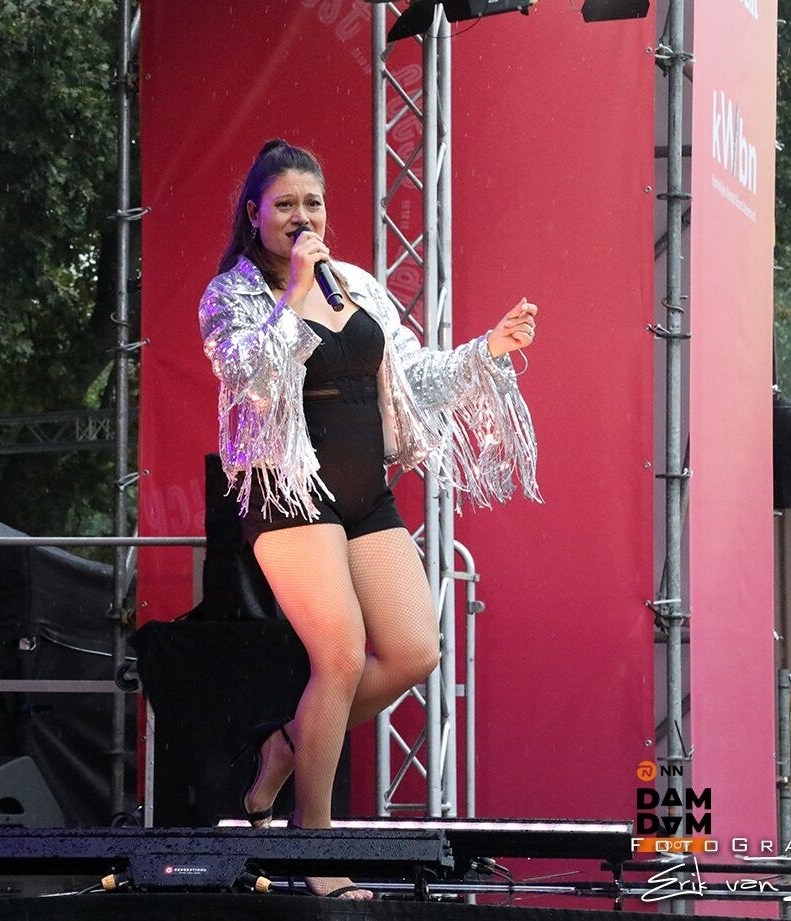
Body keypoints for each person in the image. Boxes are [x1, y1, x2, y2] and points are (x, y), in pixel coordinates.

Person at [198, 139, 541, 899]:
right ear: (253, 213)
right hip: (287, 490)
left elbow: (414, 376)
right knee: (342, 656)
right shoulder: (232, 295)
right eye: (285, 204)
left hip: (361, 489)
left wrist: (487, 348)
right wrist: (294, 296)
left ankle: (285, 745)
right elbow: (253, 380)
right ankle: (313, 847)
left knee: (415, 650)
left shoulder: (353, 284)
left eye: (312, 203)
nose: (301, 216)